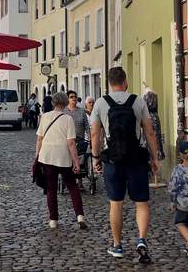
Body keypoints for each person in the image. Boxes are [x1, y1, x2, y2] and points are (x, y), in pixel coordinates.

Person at [90, 66, 160, 264]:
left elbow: (95, 134)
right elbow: (149, 132)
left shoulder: (101, 103)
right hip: (136, 159)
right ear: (125, 81)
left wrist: (96, 158)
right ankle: (142, 240)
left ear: (110, 84)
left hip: (113, 160)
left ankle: (117, 245)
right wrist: (155, 158)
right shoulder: (138, 101)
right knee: (142, 203)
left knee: (116, 204)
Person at [35, 92, 88, 230]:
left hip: (47, 156)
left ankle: (53, 220)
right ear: (65, 103)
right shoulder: (68, 119)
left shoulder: (45, 117)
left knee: (51, 188)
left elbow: (39, 139)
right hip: (63, 157)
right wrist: (76, 162)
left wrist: (37, 156)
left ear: (53, 103)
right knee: (72, 186)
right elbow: (71, 143)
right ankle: (80, 216)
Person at [64, 90, 90, 191]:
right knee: (68, 161)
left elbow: (87, 126)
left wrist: (90, 137)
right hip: (67, 140)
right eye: (71, 97)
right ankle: (70, 182)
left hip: (80, 139)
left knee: (80, 159)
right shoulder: (64, 111)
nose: (74, 98)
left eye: (75, 96)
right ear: (67, 99)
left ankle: (80, 182)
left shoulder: (81, 111)